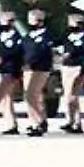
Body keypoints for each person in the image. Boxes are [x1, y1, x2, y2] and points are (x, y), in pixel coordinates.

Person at [57, 10, 84, 134]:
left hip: (78, 67)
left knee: (71, 96)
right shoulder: (67, 36)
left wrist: (71, 54)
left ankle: (72, 121)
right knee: (69, 96)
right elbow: (58, 43)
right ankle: (75, 122)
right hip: (66, 67)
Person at [23, 8, 54, 137]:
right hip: (29, 69)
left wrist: (29, 62)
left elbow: (40, 52)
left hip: (39, 69)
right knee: (34, 96)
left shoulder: (45, 36)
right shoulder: (30, 35)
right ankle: (35, 121)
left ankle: (39, 122)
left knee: (31, 95)